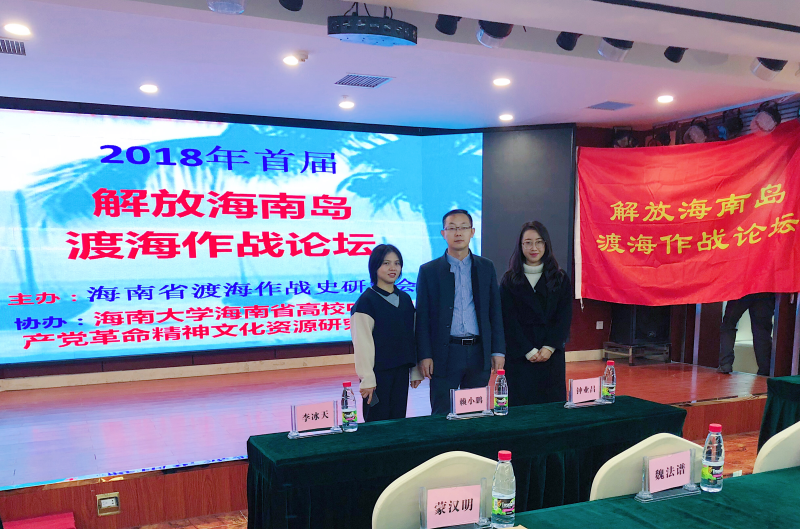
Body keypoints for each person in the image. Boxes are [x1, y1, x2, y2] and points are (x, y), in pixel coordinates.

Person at [415, 209, 506, 415]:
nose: (458, 233)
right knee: (442, 412)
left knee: (474, 412)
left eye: (463, 227)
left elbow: (495, 312)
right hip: (445, 352)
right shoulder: (429, 271)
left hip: (478, 351)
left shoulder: (486, 267)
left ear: (472, 232)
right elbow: (422, 318)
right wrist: (425, 355)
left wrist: (498, 351)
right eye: (452, 228)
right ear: (443, 233)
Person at [499, 221, 572, 405]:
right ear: (520, 245)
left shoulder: (560, 278)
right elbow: (508, 320)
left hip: (551, 355)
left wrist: (549, 347)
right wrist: (527, 350)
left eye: (539, 242)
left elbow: (564, 317)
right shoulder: (509, 280)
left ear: (546, 244)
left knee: (551, 408)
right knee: (520, 408)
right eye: (528, 242)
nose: (534, 248)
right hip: (520, 355)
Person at [350, 244, 422, 422]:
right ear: (375, 267)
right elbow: (362, 344)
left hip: (401, 372)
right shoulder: (366, 302)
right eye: (386, 263)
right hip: (377, 376)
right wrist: (367, 378)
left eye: (397, 263)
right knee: (377, 422)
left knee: (398, 420)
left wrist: (415, 370)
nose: (393, 268)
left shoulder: (405, 299)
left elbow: (412, 337)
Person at [718, 293, 775, 376]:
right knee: (762, 332)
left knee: (728, 325)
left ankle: (725, 364)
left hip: (742, 289)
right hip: (764, 290)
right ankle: (765, 369)